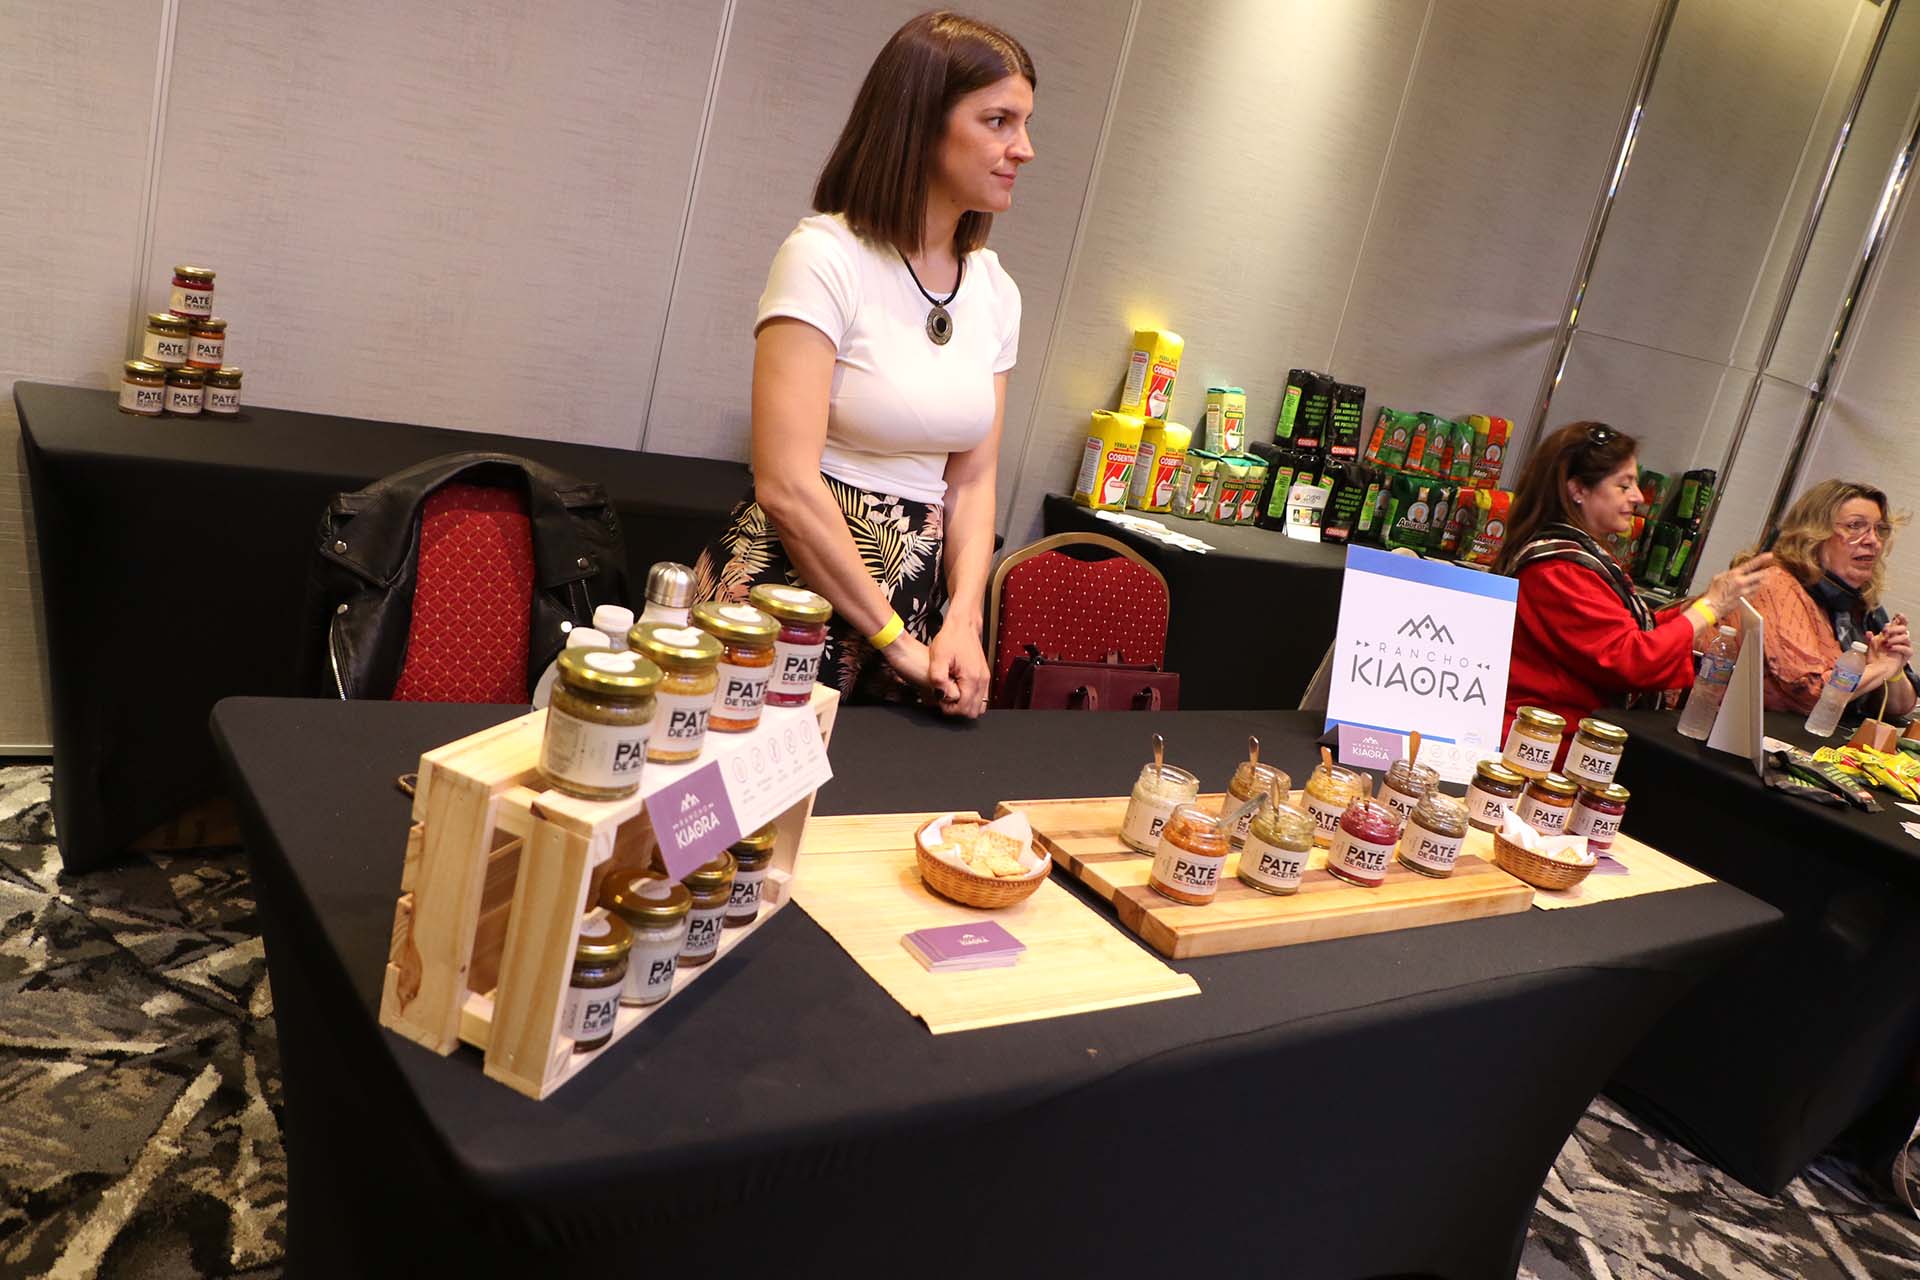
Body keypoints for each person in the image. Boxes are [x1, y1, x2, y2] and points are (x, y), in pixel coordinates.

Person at [693, 11, 1035, 719]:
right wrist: (895, 642)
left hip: (916, 600)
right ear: (921, 123)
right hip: (786, 590)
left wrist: (963, 619)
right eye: (998, 121)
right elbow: (786, 484)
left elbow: (971, 482)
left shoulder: (996, 290)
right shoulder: (825, 256)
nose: (1023, 148)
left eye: (1024, 124)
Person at [1494, 421, 1775, 750]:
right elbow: (1630, 660)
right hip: (1545, 747)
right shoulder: (1558, 569)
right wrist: (1708, 607)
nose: (1639, 497)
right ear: (1578, 489)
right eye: (1623, 485)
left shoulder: (1574, 554)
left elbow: (1625, 630)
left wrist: (1696, 607)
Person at [1733, 479, 1914, 721]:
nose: (1873, 541)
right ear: (1813, 534)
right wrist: (1879, 668)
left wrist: (1893, 668)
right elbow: (1812, 691)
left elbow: (1901, 706)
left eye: (1878, 529)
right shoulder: (1776, 582)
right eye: (1855, 526)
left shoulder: (1861, 601)